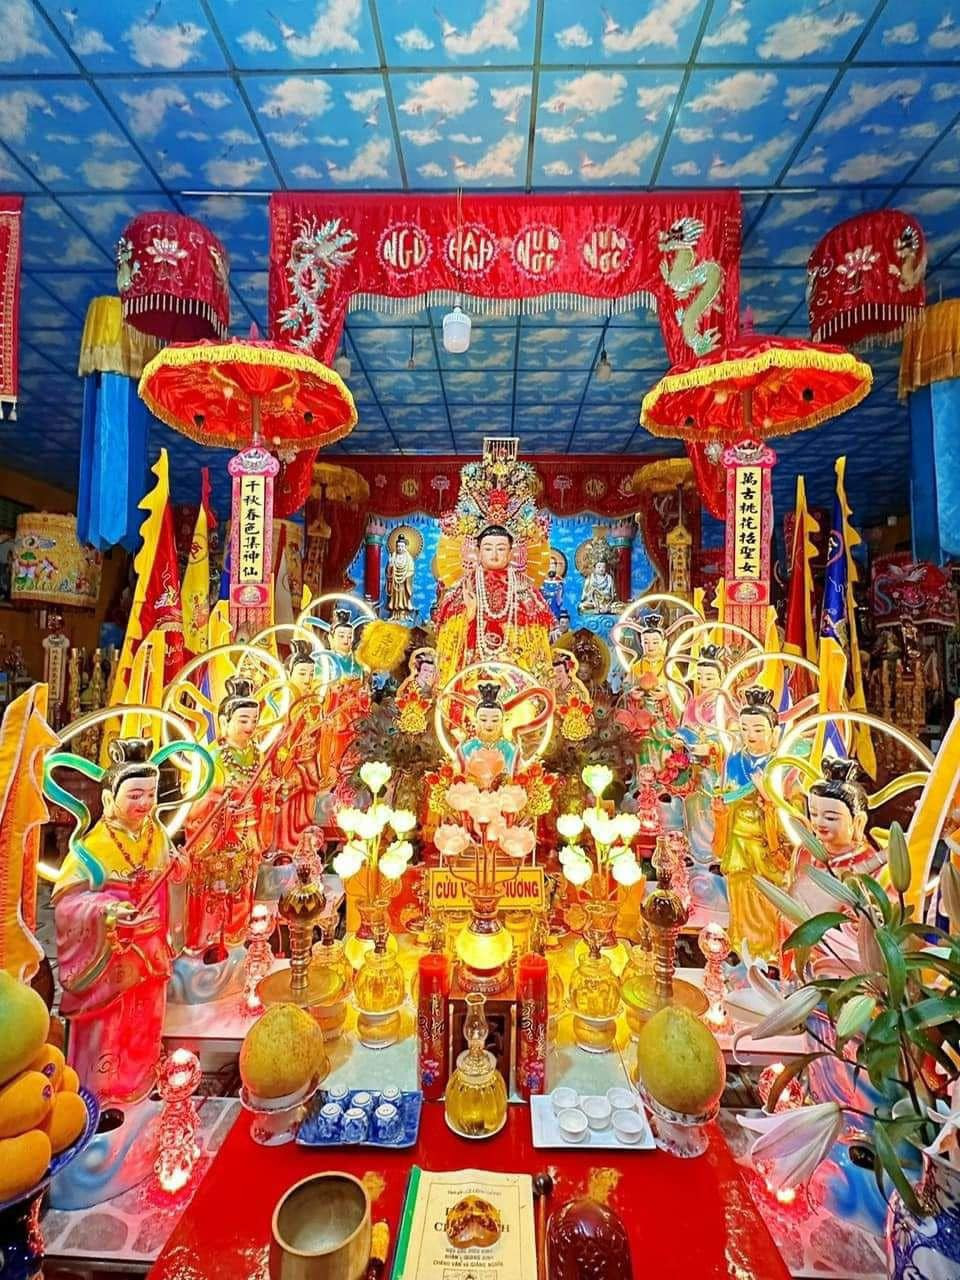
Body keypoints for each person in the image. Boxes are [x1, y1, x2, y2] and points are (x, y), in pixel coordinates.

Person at [53, 738, 187, 1104]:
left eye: (151, 795)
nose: (145, 803)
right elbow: (66, 904)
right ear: (109, 799)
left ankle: (141, 1080)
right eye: (135, 795)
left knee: (146, 1021)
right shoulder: (91, 849)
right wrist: (106, 911)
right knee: (109, 1027)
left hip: (150, 950)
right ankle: (101, 1095)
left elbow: (169, 882)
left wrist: (178, 875)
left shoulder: (157, 835)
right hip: (110, 956)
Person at [184, 677, 265, 954]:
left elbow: (263, 794)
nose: (250, 726)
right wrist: (219, 802)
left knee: (243, 888)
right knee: (215, 893)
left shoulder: (258, 754)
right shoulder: (212, 758)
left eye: (254, 720)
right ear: (223, 722)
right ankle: (210, 943)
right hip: (218, 837)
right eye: (243, 720)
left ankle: (237, 939)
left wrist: (270, 791)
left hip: (248, 831)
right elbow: (196, 804)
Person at [713, 686, 790, 963]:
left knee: (766, 895)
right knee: (739, 893)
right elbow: (724, 793)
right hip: (738, 837)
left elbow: (792, 809)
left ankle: (768, 952)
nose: (750, 735)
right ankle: (739, 945)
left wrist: (770, 799)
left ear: (774, 733)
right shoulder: (734, 760)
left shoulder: (781, 765)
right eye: (745, 729)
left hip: (766, 841)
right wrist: (721, 809)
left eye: (758, 729)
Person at [435, 524, 554, 685]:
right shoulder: (464, 587)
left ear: (510, 552)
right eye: (488, 548)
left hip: (514, 668)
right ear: (478, 551)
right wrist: (470, 614)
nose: (494, 555)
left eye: (501, 548)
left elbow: (536, 637)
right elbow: (449, 637)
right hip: (473, 668)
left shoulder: (524, 589)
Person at [457, 682, 519, 780]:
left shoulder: (509, 749)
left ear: (502, 721)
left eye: (495, 720)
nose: (489, 725)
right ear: (476, 720)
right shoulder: (468, 748)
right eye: (483, 719)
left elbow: (516, 776)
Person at [387, 533, 415, 617]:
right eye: (398, 546)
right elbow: (389, 570)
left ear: (405, 547)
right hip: (395, 583)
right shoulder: (394, 556)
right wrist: (390, 565)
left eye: (402, 546)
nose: (400, 548)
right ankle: (395, 615)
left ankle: (403, 615)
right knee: (395, 598)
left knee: (403, 598)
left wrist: (406, 576)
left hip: (404, 582)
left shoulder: (408, 558)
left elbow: (411, 570)